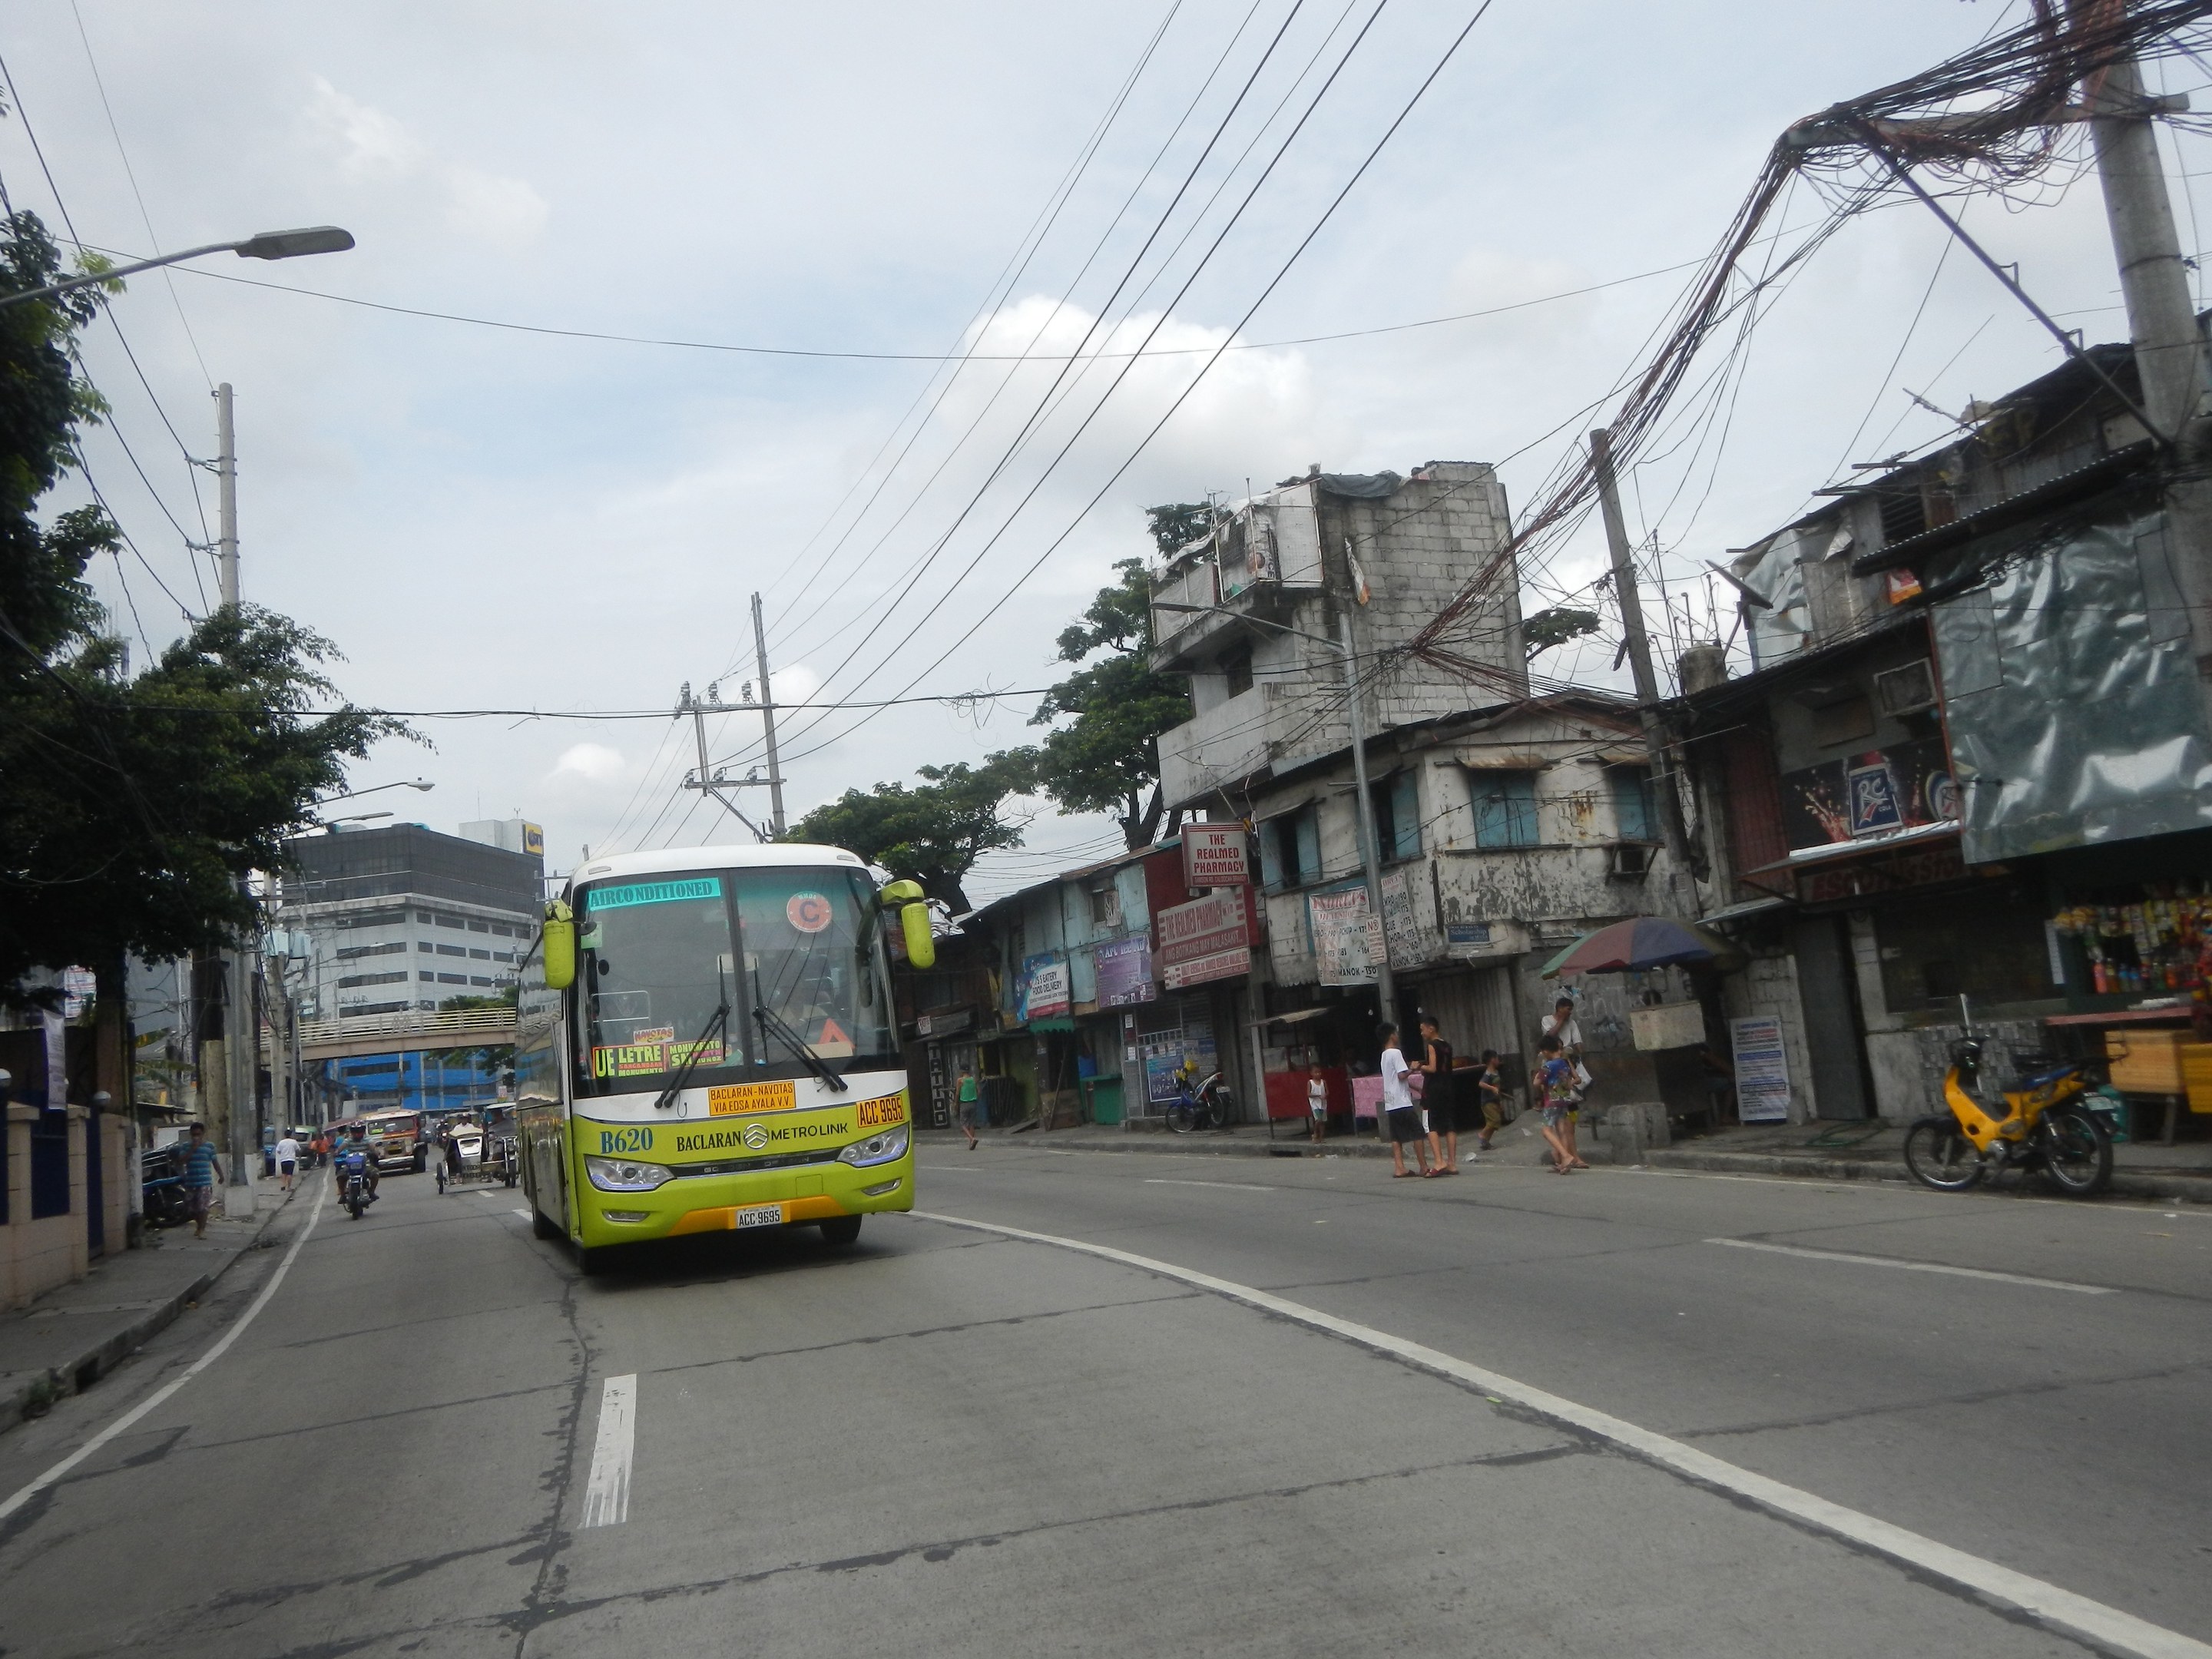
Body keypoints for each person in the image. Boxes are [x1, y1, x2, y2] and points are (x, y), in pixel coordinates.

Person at [1540, 995, 1591, 1165]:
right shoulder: (1547, 1021)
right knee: (1561, 1126)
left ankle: (1568, 1157)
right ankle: (1566, 1157)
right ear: (1559, 1008)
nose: (1569, 1013)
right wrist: (1561, 1020)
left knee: (1568, 1124)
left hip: (1563, 1093)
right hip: (1556, 1097)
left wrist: (1578, 1063)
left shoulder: (1565, 1060)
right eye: (1567, 1009)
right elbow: (1550, 1035)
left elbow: (1578, 1043)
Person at [1379, 1024, 1429, 1178]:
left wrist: (1415, 1087)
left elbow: (1394, 1079)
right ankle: (1423, 1166)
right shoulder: (1396, 1053)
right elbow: (1401, 1075)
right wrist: (1413, 1068)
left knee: (1396, 1136)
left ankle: (1399, 1167)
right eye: (1396, 1033)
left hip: (1391, 1102)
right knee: (1417, 1133)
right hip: (1402, 1102)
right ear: (1392, 1036)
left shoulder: (1384, 1055)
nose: (1397, 1036)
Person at [1532, 1032, 1587, 1173]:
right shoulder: (1564, 1063)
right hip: (1565, 1100)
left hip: (1552, 1101)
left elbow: (1536, 1082)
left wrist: (1541, 1074)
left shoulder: (1548, 1066)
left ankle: (1566, 1156)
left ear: (1545, 1051)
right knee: (1562, 1130)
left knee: (1546, 1130)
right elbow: (1569, 1085)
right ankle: (1564, 1164)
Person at [1418, 1015, 1459, 1176]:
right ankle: (1452, 1163)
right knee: (1449, 1124)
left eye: (1423, 1030)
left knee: (1431, 1125)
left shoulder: (1432, 1046)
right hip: (1448, 1087)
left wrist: (1421, 1066)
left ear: (1431, 1028)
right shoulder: (1447, 1046)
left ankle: (1439, 1161)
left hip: (1434, 1089)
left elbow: (1433, 1068)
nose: (1422, 1033)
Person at [180, 1121, 223, 1237]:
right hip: (191, 1181)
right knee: (191, 1209)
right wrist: (192, 1149)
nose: (196, 1137)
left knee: (203, 1207)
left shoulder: (209, 1146)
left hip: (204, 1182)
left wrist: (221, 1175)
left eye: (198, 1134)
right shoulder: (185, 1146)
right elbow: (182, 1161)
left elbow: (215, 1162)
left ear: (203, 1133)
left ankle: (201, 1229)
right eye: (194, 1135)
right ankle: (199, 1226)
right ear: (191, 1134)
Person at [333, 1123, 380, 1207]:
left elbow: (373, 1147)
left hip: (364, 1166)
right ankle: (343, 1195)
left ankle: (371, 1192)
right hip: (350, 1166)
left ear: (363, 1132)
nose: (357, 1134)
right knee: (340, 1176)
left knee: (375, 1174)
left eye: (359, 1132)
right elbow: (341, 1147)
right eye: (354, 1132)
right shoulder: (348, 1140)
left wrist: (376, 1152)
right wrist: (337, 1152)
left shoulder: (368, 1140)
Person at [1474, 1049, 1505, 1151]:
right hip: (1487, 1102)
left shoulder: (1496, 1073)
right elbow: (1481, 1084)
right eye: (1496, 1058)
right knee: (1494, 1120)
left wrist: (1500, 1102)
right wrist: (1492, 1088)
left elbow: (1498, 1089)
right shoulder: (1488, 1074)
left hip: (1495, 1101)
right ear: (1492, 1060)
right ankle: (1482, 1134)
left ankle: (1485, 1142)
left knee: (1495, 1123)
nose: (1498, 1060)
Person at [955, 1065, 982, 1151]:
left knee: (963, 1124)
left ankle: (972, 1139)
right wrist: (976, 1098)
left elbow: (957, 1093)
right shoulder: (974, 1079)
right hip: (973, 1103)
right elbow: (979, 1091)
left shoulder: (960, 1080)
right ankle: (971, 1144)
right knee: (972, 1124)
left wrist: (955, 1103)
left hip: (964, 1104)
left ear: (962, 1071)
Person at [1306, 1064, 1330, 1145]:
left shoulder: (1324, 1082)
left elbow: (1327, 1092)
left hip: (1323, 1104)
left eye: (1319, 1072)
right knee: (1318, 1120)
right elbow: (1308, 1094)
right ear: (1311, 1073)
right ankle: (1315, 1133)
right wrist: (1317, 1096)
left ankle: (1321, 1137)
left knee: (1322, 1121)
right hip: (1315, 1104)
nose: (1318, 1074)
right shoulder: (1310, 1082)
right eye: (1316, 1072)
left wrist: (1325, 1095)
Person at [273, 1130, 300, 1194]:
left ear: (284, 1135)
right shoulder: (294, 1142)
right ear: (291, 1135)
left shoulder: (281, 1142)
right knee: (289, 1174)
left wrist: (283, 1153)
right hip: (291, 1159)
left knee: (284, 1173)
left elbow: (278, 1151)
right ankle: (289, 1187)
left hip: (283, 1160)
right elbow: (298, 1149)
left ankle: (283, 1185)